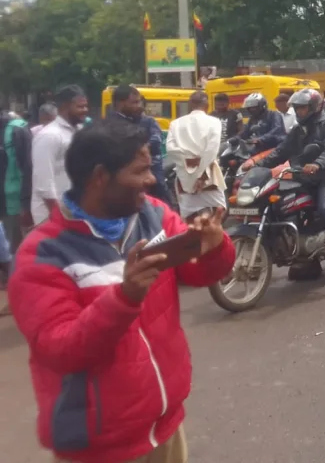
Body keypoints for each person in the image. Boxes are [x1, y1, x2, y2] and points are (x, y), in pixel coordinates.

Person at [8, 117, 235, 463]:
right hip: (101, 447)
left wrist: (214, 247)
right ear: (100, 177)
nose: (152, 179)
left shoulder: (153, 215)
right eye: (139, 171)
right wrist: (124, 298)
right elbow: (60, 350)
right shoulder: (42, 254)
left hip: (165, 427)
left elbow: (198, 273)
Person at [241, 88, 325, 264]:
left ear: (314, 107)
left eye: (302, 107)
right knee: (281, 204)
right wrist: (256, 165)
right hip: (302, 177)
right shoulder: (298, 130)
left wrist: (317, 164)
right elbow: (280, 152)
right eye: (297, 108)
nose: (298, 111)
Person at [31, 85, 89, 226]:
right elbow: (44, 183)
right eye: (80, 107)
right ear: (64, 107)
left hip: (73, 211)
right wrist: (59, 217)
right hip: (51, 214)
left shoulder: (79, 132)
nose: (85, 110)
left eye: (86, 106)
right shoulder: (49, 135)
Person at [166, 91, 227, 220]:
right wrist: (201, 174)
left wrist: (188, 160)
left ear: (189, 105)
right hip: (209, 177)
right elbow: (211, 151)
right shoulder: (214, 122)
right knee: (218, 213)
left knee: (189, 218)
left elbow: (170, 150)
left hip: (185, 178)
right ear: (207, 106)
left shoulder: (175, 123)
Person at [110, 85, 171, 206]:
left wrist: (142, 150)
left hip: (154, 175)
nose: (139, 106)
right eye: (134, 102)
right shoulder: (110, 124)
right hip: (125, 181)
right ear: (120, 103)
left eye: (139, 102)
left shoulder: (146, 121)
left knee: (161, 200)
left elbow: (156, 140)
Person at [1, 106, 32, 253]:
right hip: (9, 199)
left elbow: (27, 167)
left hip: (13, 200)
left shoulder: (16, 130)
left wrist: (26, 203)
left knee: (13, 246)